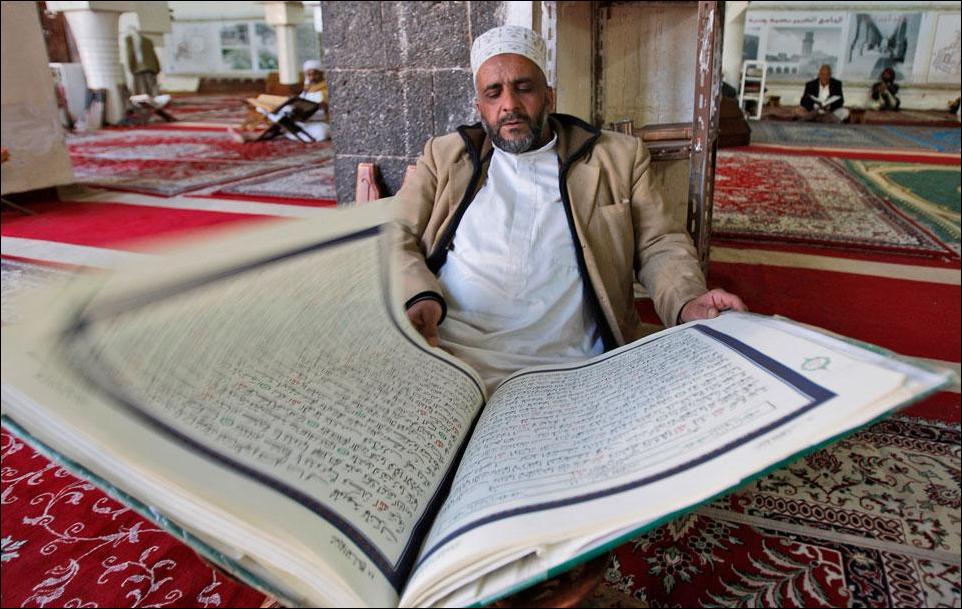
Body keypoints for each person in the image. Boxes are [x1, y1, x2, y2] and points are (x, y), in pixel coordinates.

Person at [396, 25, 747, 392]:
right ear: (479, 107)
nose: (509, 105)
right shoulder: (443, 157)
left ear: (549, 96)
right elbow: (394, 235)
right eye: (493, 93)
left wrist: (687, 300)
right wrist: (419, 295)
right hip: (449, 356)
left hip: (571, 367)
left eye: (524, 88)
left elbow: (659, 243)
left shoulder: (617, 158)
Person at [229, 59, 330, 143]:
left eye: (315, 74)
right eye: (308, 75)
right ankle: (251, 136)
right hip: (299, 121)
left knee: (321, 132)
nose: (311, 77)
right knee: (277, 113)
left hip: (317, 123)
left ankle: (252, 136)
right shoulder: (307, 89)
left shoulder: (326, 90)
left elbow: (325, 111)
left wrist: (322, 106)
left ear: (321, 74)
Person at [124, 25, 161, 97]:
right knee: (152, 93)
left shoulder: (129, 40)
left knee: (141, 94)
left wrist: (130, 68)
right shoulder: (148, 41)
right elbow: (154, 56)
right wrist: (157, 69)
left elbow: (130, 55)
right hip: (151, 70)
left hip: (138, 71)